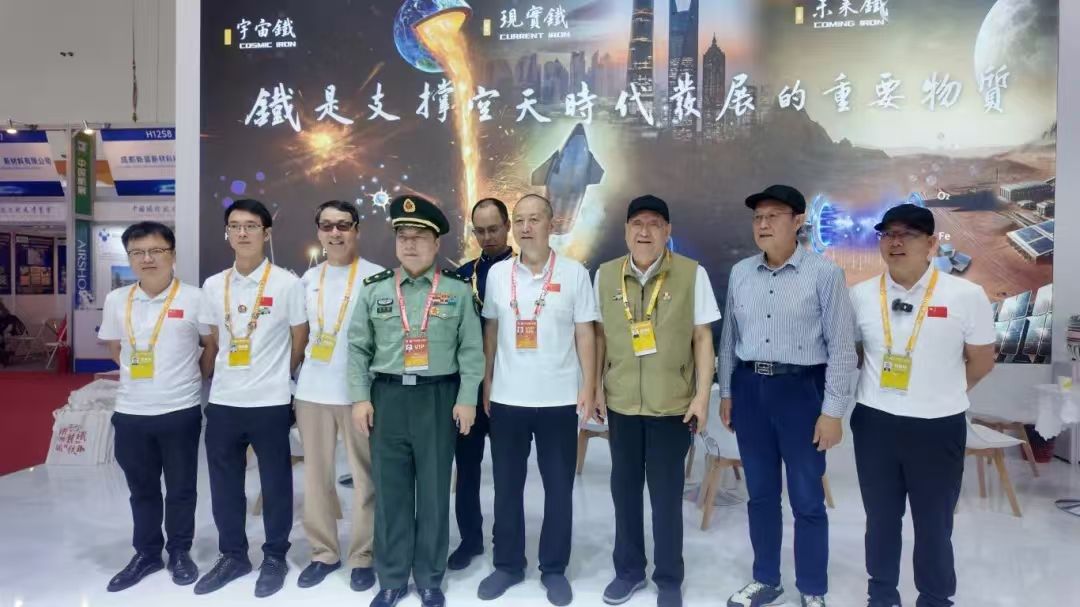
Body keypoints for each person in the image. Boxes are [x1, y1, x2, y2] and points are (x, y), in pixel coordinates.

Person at [849, 204, 996, 607]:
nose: (895, 242)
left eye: (907, 234)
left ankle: (934, 597)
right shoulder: (861, 296)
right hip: (875, 423)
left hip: (937, 426)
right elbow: (857, 354)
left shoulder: (965, 295)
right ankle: (882, 594)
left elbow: (982, 361)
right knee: (880, 519)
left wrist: (942, 391)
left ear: (931, 244)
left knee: (934, 523)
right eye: (888, 234)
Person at [718, 185, 857, 607]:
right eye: (757, 217)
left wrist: (832, 411)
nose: (763, 224)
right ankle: (766, 580)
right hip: (750, 391)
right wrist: (727, 391)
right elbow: (729, 339)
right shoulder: (741, 273)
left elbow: (842, 348)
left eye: (773, 216)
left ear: (798, 221)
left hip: (801, 392)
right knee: (760, 495)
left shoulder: (825, 274)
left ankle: (812, 588)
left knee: (806, 498)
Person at [347, 194, 484, 607]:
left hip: (438, 399)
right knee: (391, 492)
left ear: (436, 243)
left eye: (419, 237)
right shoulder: (374, 290)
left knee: (435, 491)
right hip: (386, 398)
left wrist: (467, 399)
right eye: (403, 236)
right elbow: (358, 348)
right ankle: (391, 577)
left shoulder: (457, 291)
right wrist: (359, 398)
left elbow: (471, 351)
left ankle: (429, 577)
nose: (409, 244)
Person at [593, 195, 720, 607]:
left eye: (654, 224)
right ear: (626, 231)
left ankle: (668, 578)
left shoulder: (691, 273)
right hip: (622, 404)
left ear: (667, 231)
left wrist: (702, 396)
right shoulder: (606, 274)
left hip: (672, 406)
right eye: (637, 223)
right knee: (624, 492)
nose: (644, 232)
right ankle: (628, 571)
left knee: (665, 497)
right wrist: (596, 387)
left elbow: (702, 337)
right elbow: (599, 337)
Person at [476, 194, 598, 606]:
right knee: (507, 487)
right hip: (508, 399)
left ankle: (554, 568)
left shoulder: (574, 273)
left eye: (535, 219)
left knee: (559, 488)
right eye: (520, 221)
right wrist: (488, 381)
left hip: (559, 400)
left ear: (551, 224)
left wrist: (589, 386)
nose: (526, 228)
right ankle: (508, 564)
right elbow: (491, 331)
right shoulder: (498, 275)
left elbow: (585, 332)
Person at [195, 199, 309, 598]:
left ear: (266, 233)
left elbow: (299, 337)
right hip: (224, 401)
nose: (242, 233)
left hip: (270, 401)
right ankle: (233, 555)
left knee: (276, 483)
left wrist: (279, 375)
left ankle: (275, 556)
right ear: (227, 232)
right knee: (225, 483)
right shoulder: (213, 285)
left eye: (251, 226)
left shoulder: (286, 284)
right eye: (235, 226)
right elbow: (212, 338)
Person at [97, 221, 214, 592]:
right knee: (142, 489)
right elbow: (115, 349)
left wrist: (191, 378)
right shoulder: (117, 300)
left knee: (181, 489)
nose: (147, 259)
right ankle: (147, 553)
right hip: (131, 412)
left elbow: (210, 346)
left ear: (172, 255)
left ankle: (179, 551)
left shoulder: (195, 298)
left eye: (156, 250)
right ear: (130, 257)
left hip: (180, 410)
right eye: (137, 252)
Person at [293, 200, 385, 591]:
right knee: (317, 478)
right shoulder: (307, 280)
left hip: (359, 393)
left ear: (356, 229)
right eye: (327, 225)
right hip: (312, 392)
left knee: (365, 478)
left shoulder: (376, 277)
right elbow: (300, 336)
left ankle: (363, 555)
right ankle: (323, 553)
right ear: (318, 231)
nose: (335, 233)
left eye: (343, 225)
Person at [449, 197, 515, 571]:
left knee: (507, 474)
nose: (487, 237)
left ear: (507, 226)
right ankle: (470, 540)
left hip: (510, 388)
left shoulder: (525, 274)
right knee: (467, 468)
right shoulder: (461, 277)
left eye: (494, 229)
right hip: (470, 389)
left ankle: (505, 541)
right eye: (480, 231)